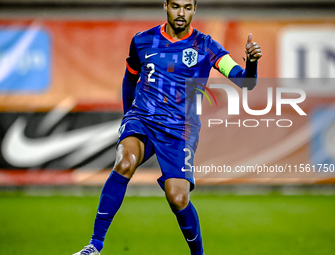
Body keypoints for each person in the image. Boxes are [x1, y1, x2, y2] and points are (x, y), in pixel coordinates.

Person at [73, 0, 262, 254]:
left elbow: (246, 82)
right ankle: (94, 245)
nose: (181, 13)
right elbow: (130, 78)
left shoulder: (206, 46)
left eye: (187, 7)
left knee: (178, 197)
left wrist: (251, 63)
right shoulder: (142, 40)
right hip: (143, 118)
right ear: (165, 6)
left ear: (195, 9)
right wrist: (129, 116)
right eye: (176, 6)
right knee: (125, 161)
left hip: (179, 129)